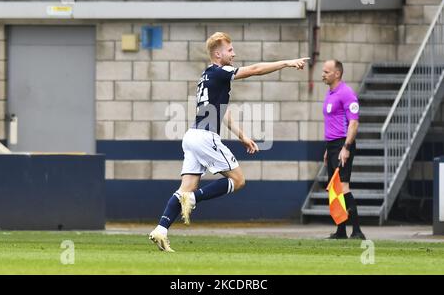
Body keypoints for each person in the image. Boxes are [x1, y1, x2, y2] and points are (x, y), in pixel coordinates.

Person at [149, 32, 309, 252]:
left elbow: (222, 112)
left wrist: (242, 135)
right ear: (218, 54)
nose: (234, 53)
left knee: (185, 188)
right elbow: (254, 70)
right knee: (238, 179)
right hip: (205, 137)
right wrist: (286, 63)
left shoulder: (206, 75)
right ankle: (194, 199)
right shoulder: (220, 71)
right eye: (230, 50)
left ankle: (161, 229)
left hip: (192, 136)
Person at [321, 59, 366, 240]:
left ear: (337, 73)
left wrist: (346, 147)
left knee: (344, 186)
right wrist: (327, 149)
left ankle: (357, 231)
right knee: (334, 189)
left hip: (342, 145)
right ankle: (341, 231)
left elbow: (353, 123)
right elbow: (332, 124)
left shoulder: (346, 93)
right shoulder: (330, 93)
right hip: (332, 145)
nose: (323, 74)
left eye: (326, 71)